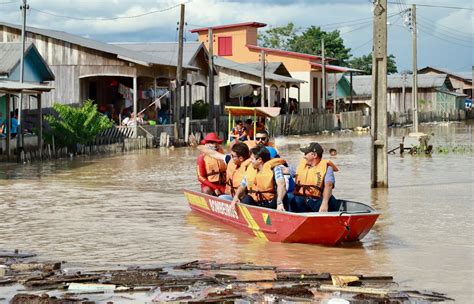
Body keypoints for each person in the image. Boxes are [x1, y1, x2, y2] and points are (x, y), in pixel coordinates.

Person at [231, 144, 287, 211]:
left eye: (252, 159)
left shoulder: (274, 168)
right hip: (257, 203)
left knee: (284, 196)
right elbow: (242, 185)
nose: (250, 161)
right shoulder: (251, 170)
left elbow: (281, 184)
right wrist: (236, 196)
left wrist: (279, 203)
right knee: (246, 199)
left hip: (271, 204)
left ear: (259, 160)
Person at [288, 142, 340, 213]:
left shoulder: (327, 167)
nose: (304, 156)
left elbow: (329, 185)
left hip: (319, 202)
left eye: (306, 153)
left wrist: (324, 204)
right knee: (290, 197)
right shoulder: (301, 166)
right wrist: (272, 166)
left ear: (314, 155)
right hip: (303, 201)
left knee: (329, 202)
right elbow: (285, 170)